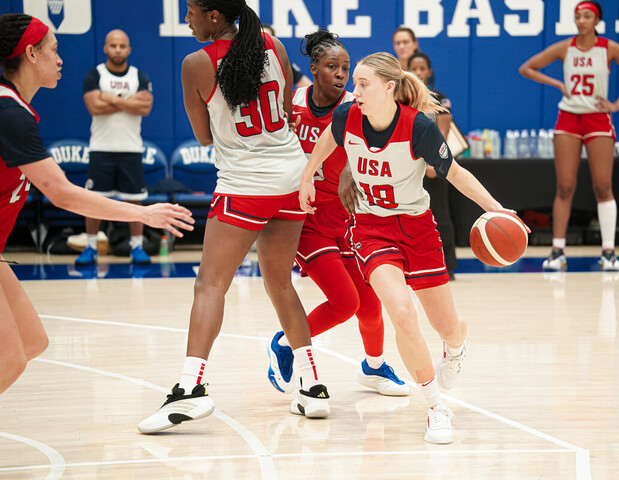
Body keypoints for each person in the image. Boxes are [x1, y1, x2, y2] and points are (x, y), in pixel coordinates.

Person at [299, 52, 528, 444]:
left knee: (447, 327)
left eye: (363, 84)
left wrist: (496, 208)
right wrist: (307, 175)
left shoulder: (418, 127)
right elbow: (328, 140)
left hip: (418, 229)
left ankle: (456, 347)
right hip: (371, 229)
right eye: (354, 83)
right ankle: (436, 407)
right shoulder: (347, 116)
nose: (354, 90)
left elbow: (454, 172)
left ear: (389, 88)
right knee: (402, 313)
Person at [138, 0, 330, 433]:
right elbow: (280, 110)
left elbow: (205, 135)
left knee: (210, 284)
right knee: (281, 284)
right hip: (290, 176)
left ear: (214, 16)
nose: (186, 18)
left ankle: (190, 389)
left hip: (245, 184)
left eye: (191, 10)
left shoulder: (196, 63)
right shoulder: (273, 45)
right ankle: (313, 384)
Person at [0, 13, 194, 394]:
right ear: (31, 54)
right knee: (9, 358)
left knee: (33, 341)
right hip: (106, 155)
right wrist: (143, 212)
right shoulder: (10, 114)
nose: (60, 59)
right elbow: (61, 193)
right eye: (53, 50)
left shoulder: (14, 109)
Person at [267, 29, 409, 397]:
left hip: (348, 217)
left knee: (370, 305)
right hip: (306, 219)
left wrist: (350, 169)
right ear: (314, 68)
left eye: (346, 67)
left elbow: (374, 143)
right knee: (346, 303)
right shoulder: (291, 103)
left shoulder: (355, 105)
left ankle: (374, 368)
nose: (342, 74)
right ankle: (285, 344)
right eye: (332, 66)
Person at [519, 0, 619, 271]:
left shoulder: (609, 48)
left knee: (603, 186)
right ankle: (557, 251)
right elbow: (526, 67)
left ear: (596, 20)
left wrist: (617, 104)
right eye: (578, 16)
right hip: (568, 118)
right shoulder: (565, 47)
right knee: (565, 187)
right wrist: (556, 83)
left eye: (587, 16)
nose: (581, 20)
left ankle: (609, 253)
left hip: (598, 118)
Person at [75, 29, 155, 266]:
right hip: (101, 147)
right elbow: (94, 107)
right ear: (105, 48)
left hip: (131, 148)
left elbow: (145, 108)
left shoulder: (138, 75)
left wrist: (110, 98)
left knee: (135, 200)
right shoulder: (94, 75)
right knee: (94, 200)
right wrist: (128, 102)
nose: (118, 50)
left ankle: (137, 247)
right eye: (113, 45)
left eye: (122, 46)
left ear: (128, 49)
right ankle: (90, 247)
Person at [408, 51, 457, 278]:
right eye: (414, 68)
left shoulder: (439, 98)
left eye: (422, 68)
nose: (418, 72)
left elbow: (443, 136)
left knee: (440, 214)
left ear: (429, 72)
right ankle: (412, 263)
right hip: (409, 168)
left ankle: (448, 265)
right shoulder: (403, 98)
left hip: (433, 166)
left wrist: (434, 164)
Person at [261, 23, 311, 88]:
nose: (263, 42)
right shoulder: (247, 63)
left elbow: (307, 85)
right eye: (261, 38)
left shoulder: (282, 64)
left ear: (273, 42)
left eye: (267, 39)